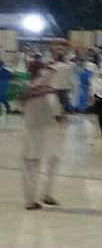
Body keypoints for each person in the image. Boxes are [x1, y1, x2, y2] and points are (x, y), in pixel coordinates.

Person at [21, 62, 62, 209]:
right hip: (33, 130)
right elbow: (24, 95)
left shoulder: (47, 88)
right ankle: (30, 201)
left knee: (52, 160)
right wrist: (42, 90)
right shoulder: (25, 85)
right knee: (31, 163)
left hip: (47, 128)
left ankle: (46, 194)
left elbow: (57, 112)